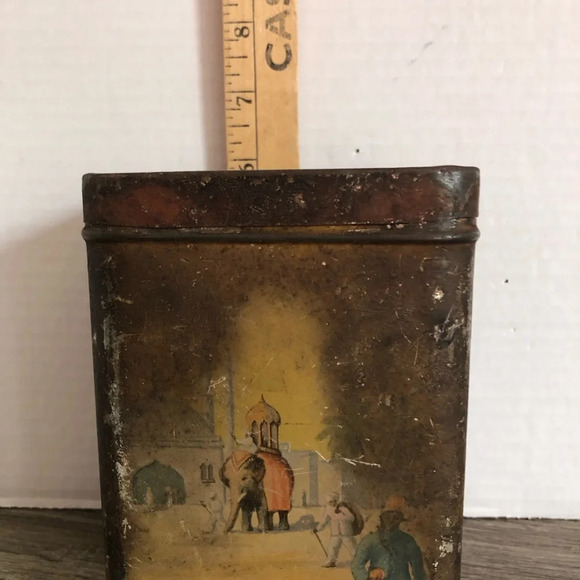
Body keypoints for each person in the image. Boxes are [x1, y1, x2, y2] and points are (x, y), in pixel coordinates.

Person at [351, 510, 426, 580]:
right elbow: (356, 565)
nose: (391, 521)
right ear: (381, 518)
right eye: (387, 517)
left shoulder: (408, 540)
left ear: (400, 520)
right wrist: (367, 578)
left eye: (396, 518)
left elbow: (418, 569)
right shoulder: (370, 540)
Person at [314, 492, 357, 568]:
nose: (332, 503)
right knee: (332, 547)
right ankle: (331, 561)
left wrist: (341, 514)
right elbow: (324, 521)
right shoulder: (328, 510)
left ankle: (358, 561)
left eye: (334, 501)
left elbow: (351, 518)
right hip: (335, 533)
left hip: (346, 532)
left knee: (352, 547)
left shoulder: (343, 509)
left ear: (336, 501)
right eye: (330, 502)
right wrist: (318, 529)